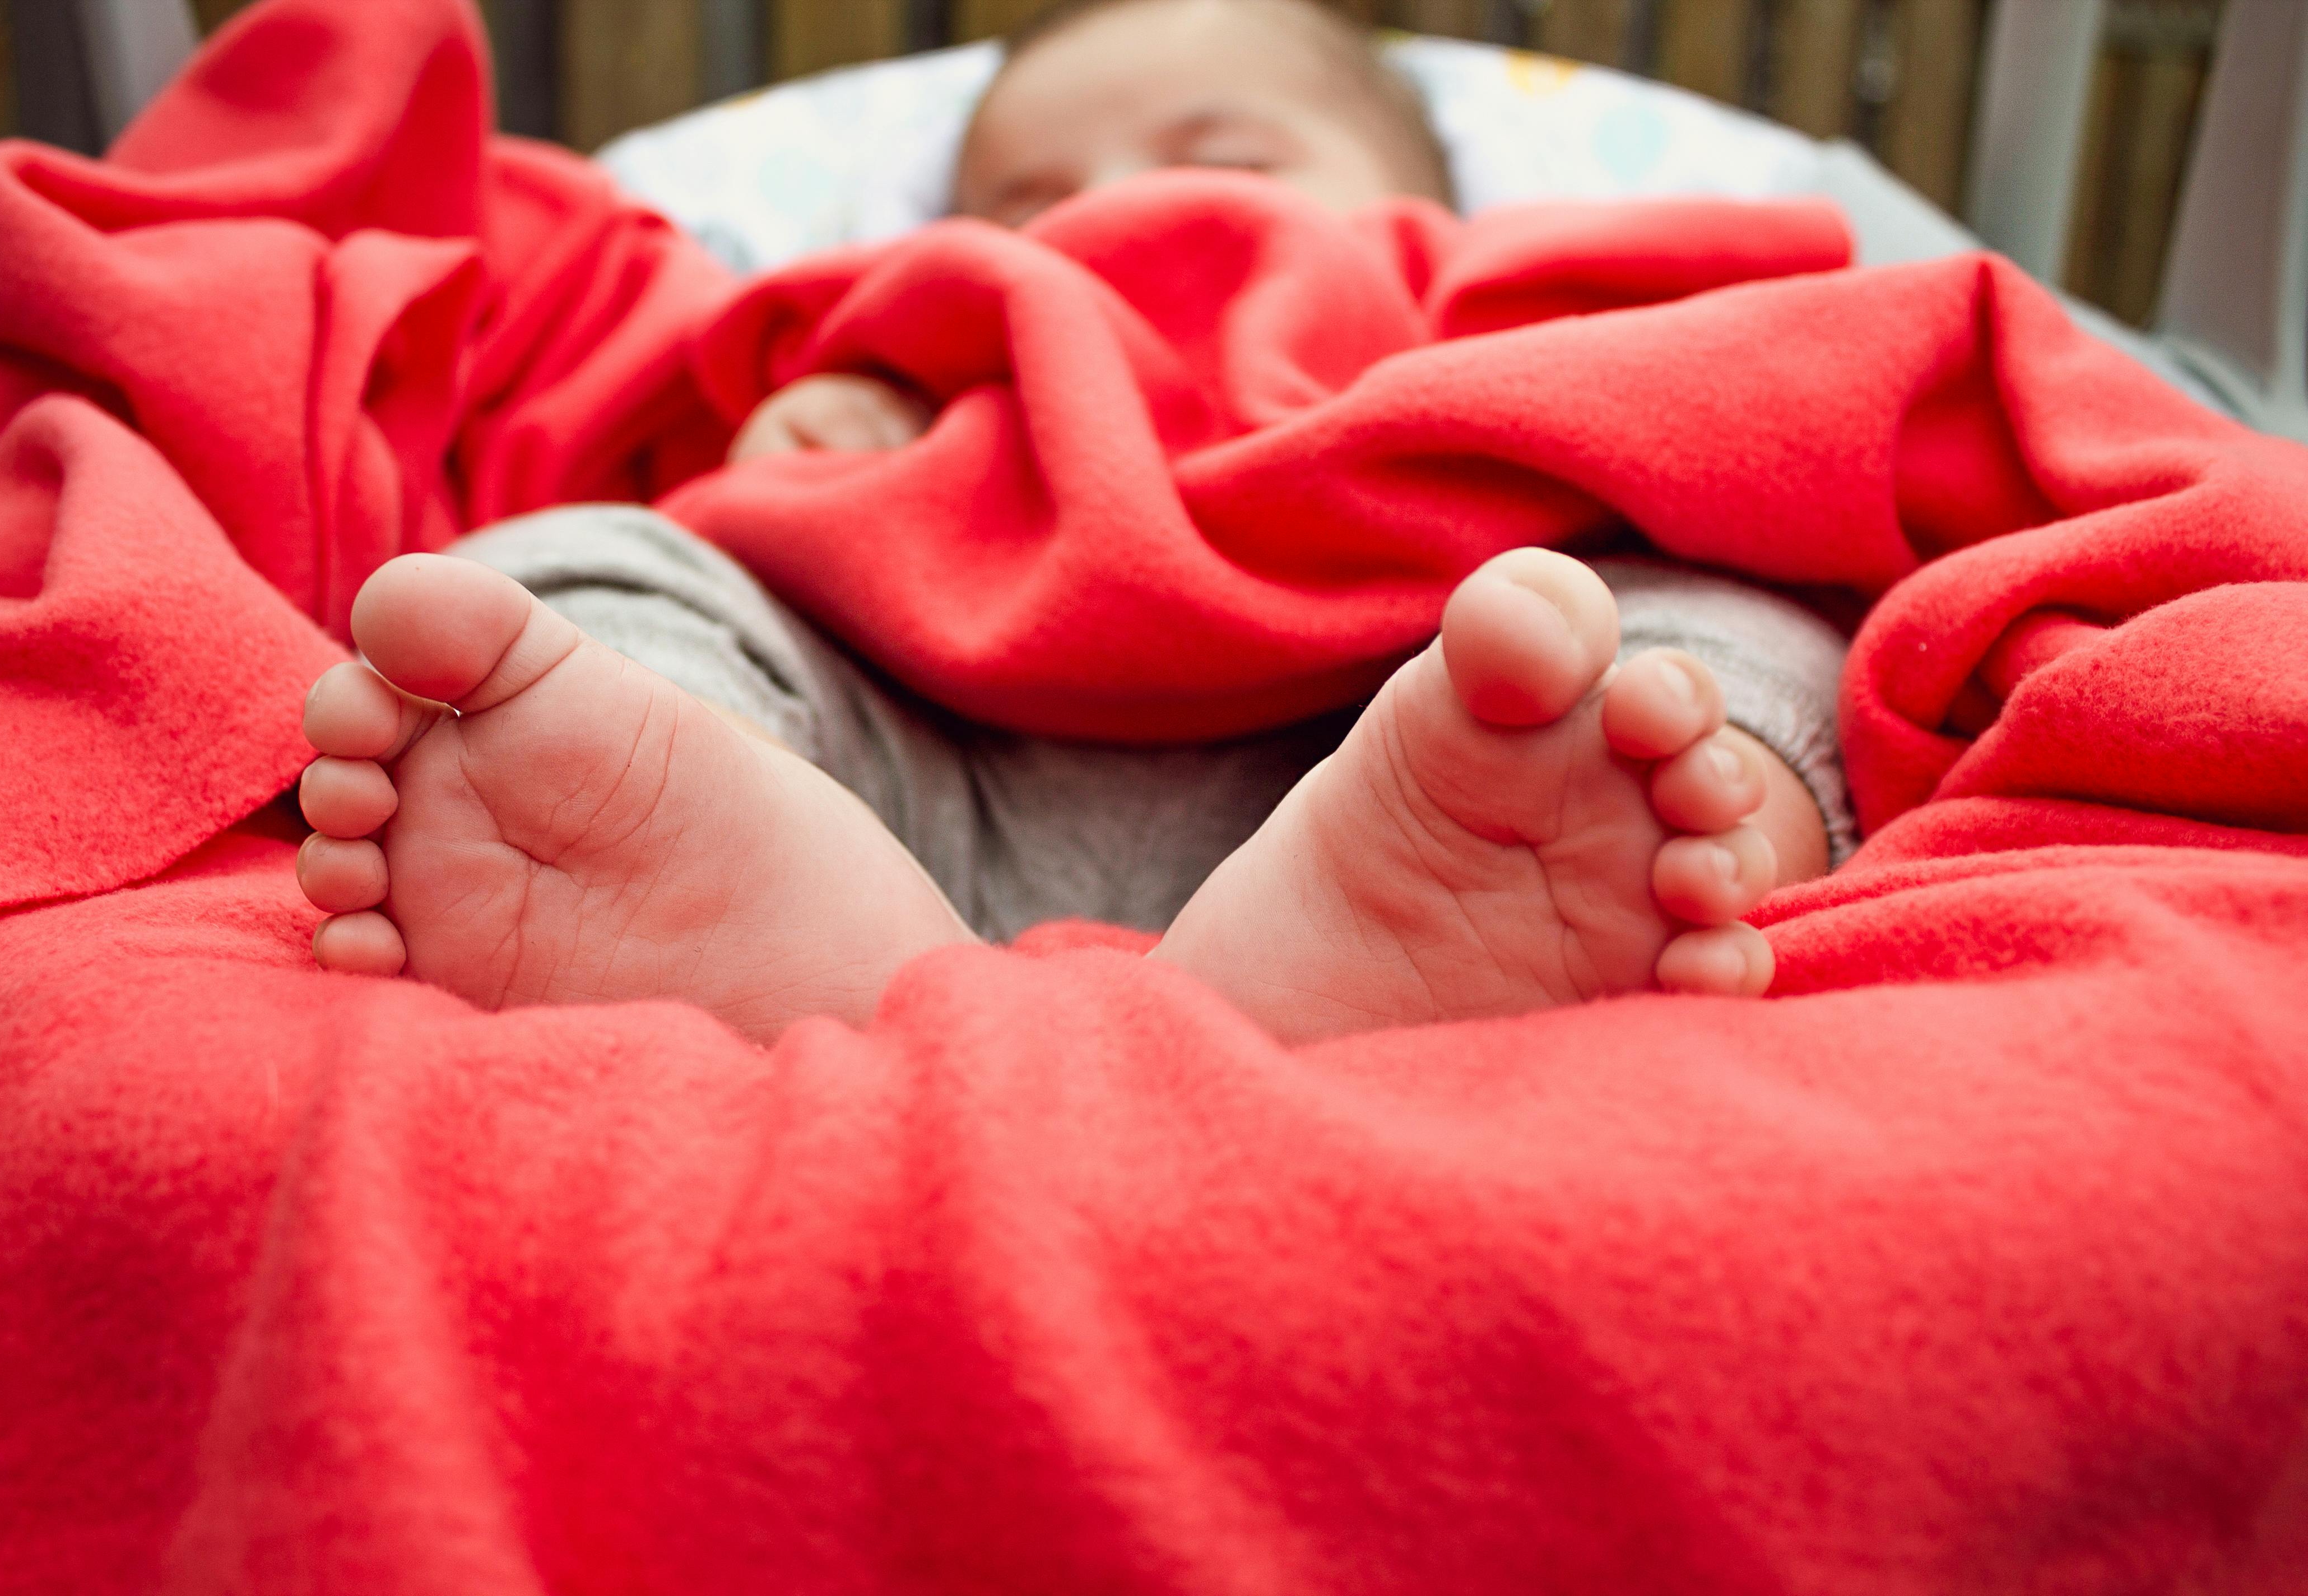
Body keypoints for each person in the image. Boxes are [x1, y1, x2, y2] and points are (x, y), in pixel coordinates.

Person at [289, 0, 1853, 1046]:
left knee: (1707, 626)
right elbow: (754, 501)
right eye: (1030, 199)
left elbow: (1748, 419)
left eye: (1226, 160)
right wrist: (816, 444)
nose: (1109, 214)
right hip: (881, 792)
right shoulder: (907, 343)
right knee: (599, 576)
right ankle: (653, 830)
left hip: (1419, 755)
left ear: (1437, 204)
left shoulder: (1491, 297)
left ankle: (1623, 841)